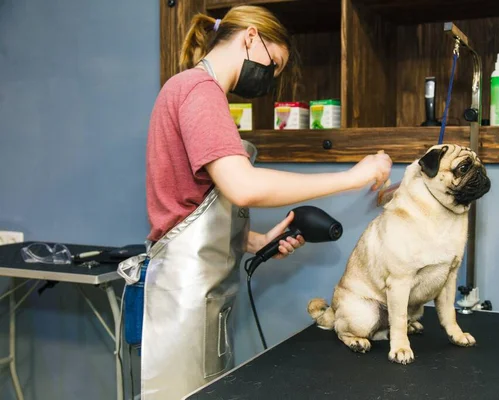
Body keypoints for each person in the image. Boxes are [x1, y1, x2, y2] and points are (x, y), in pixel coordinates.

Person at [130, 5, 392, 399]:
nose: (269, 78)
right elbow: (243, 187)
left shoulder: (188, 89)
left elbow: (187, 200)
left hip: (198, 287)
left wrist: (252, 239)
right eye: (274, 64)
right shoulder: (200, 92)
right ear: (250, 37)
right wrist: (352, 177)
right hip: (186, 293)